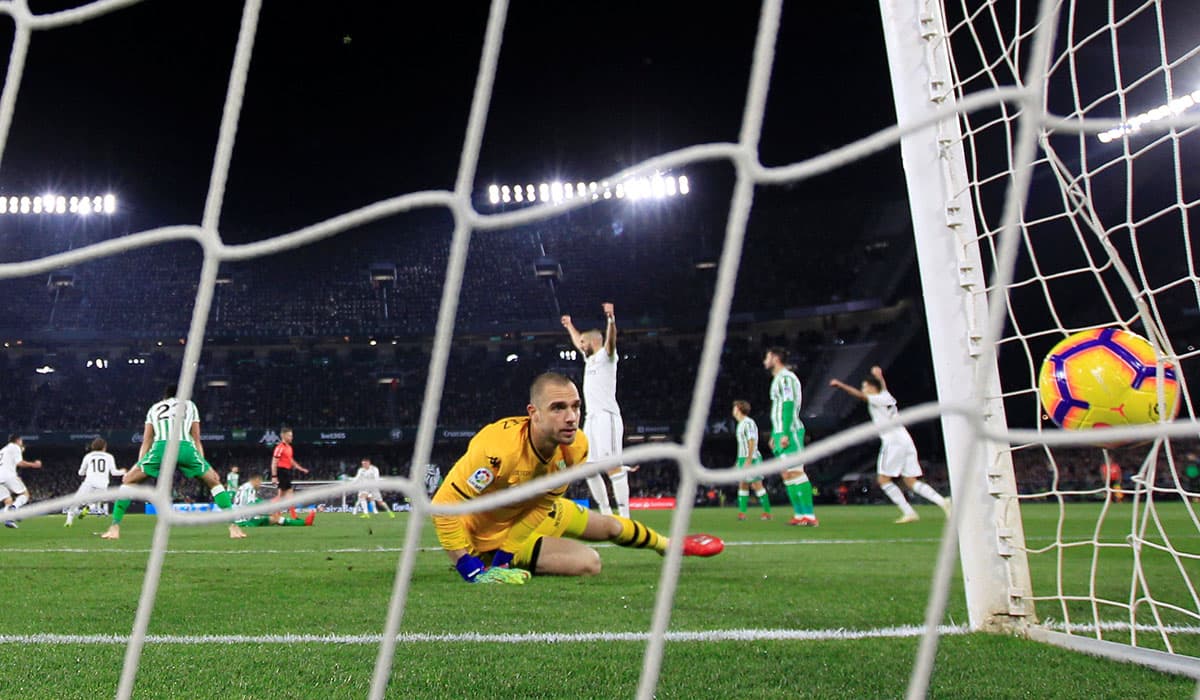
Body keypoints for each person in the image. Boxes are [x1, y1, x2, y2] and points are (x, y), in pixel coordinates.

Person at [432, 373, 720, 584]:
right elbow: (444, 504)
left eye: (576, 406)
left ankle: (670, 546)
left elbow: (544, 505)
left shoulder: (576, 446)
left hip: (528, 512)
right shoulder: (498, 450)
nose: (571, 417)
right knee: (589, 562)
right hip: (489, 536)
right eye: (558, 408)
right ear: (534, 413)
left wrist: (506, 558)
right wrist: (469, 567)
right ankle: (489, 556)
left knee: (609, 527)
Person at [100, 385, 246, 539]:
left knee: (128, 481)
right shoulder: (189, 405)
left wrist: (139, 465)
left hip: (161, 447)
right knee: (214, 483)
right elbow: (196, 439)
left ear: (165, 396)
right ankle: (233, 527)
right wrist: (204, 464)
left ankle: (114, 527)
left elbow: (147, 441)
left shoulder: (154, 408)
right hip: (184, 447)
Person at [829, 366, 951, 523]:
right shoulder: (886, 396)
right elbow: (882, 388)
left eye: (865, 386)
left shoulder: (877, 399)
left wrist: (840, 385)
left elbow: (860, 396)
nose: (863, 389)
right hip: (905, 439)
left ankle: (909, 512)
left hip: (892, 442)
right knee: (910, 481)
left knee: (883, 480)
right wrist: (880, 376)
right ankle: (943, 502)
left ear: (873, 388)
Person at [562, 302, 631, 517]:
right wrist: (569, 326)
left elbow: (611, 341)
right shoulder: (590, 359)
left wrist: (610, 319)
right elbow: (577, 341)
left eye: (583, 342)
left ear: (593, 342)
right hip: (591, 418)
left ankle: (625, 516)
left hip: (606, 416)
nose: (580, 345)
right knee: (588, 467)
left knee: (612, 466)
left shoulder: (607, 356)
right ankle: (606, 513)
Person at [763, 347, 816, 526]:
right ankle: (799, 515)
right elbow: (777, 410)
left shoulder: (786, 378)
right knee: (786, 474)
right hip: (780, 431)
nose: (765, 360)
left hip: (790, 430)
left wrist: (785, 432)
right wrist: (774, 433)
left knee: (796, 471)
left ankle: (809, 516)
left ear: (776, 358)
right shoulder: (779, 379)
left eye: (767, 356)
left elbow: (788, 404)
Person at [65, 438, 125, 527]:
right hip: (102, 485)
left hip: (89, 482)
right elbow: (114, 472)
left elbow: (80, 472)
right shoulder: (109, 457)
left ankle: (69, 521)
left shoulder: (88, 456)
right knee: (96, 502)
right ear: (104, 447)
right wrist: (123, 471)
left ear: (93, 446)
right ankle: (89, 508)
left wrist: (84, 472)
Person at [732, 400, 772, 521]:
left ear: (739, 409)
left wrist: (749, 459)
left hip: (752, 458)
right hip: (743, 458)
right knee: (743, 484)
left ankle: (767, 512)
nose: (733, 410)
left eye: (734, 408)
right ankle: (742, 513)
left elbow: (751, 440)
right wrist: (739, 461)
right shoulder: (741, 424)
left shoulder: (748, 423)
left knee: (757, 485)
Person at [234, 474, 315, 527]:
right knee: (275, 518)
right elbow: (251, 506)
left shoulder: (243, 487)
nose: (260, 484)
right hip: (245, 521)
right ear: (256, 481)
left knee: (274, 519)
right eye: (260, 482)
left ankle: (303, 522)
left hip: (240, 518)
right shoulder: (250, 488)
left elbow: (253, 502)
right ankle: (304, 523)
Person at [0, 434, 42, 529]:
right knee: (25, 494)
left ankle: (9, 520)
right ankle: (14, 509)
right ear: (18, 440)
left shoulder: (3, 450)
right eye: (21, 441)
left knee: (8, 500)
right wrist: (34, 465)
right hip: (8, 475)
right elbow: (19, 463)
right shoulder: (15, 447)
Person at [271, 427, 310, 519]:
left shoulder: (289, 447)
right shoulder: (279, 448)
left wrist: (300, 468)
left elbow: (290, 460)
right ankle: (291, 516)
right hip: (282, 471)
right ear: (283, 436)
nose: (291, 437)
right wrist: (274, 476)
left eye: (291, 435)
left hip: (287, 472)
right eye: (289, 435)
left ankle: (277, 514)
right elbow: (274, 462)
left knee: (283, 495)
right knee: (287, 495)